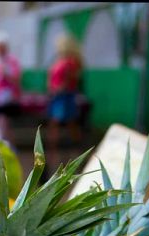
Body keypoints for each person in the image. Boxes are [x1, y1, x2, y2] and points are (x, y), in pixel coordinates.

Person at [46, 33, 82, 165]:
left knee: (64, 123)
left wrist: (58, 89)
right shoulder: (61, 61)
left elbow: (69, 80)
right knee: (62, 124)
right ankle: (55, 153)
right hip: (58, 96)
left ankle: (58, 153)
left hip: (63, 96)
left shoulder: (69, 62)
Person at [0, 31, 21, 143]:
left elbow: (16, 79)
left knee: (4, 123)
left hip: (8, 98)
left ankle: (6, 145)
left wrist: (5, 73)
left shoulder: (12, 60)